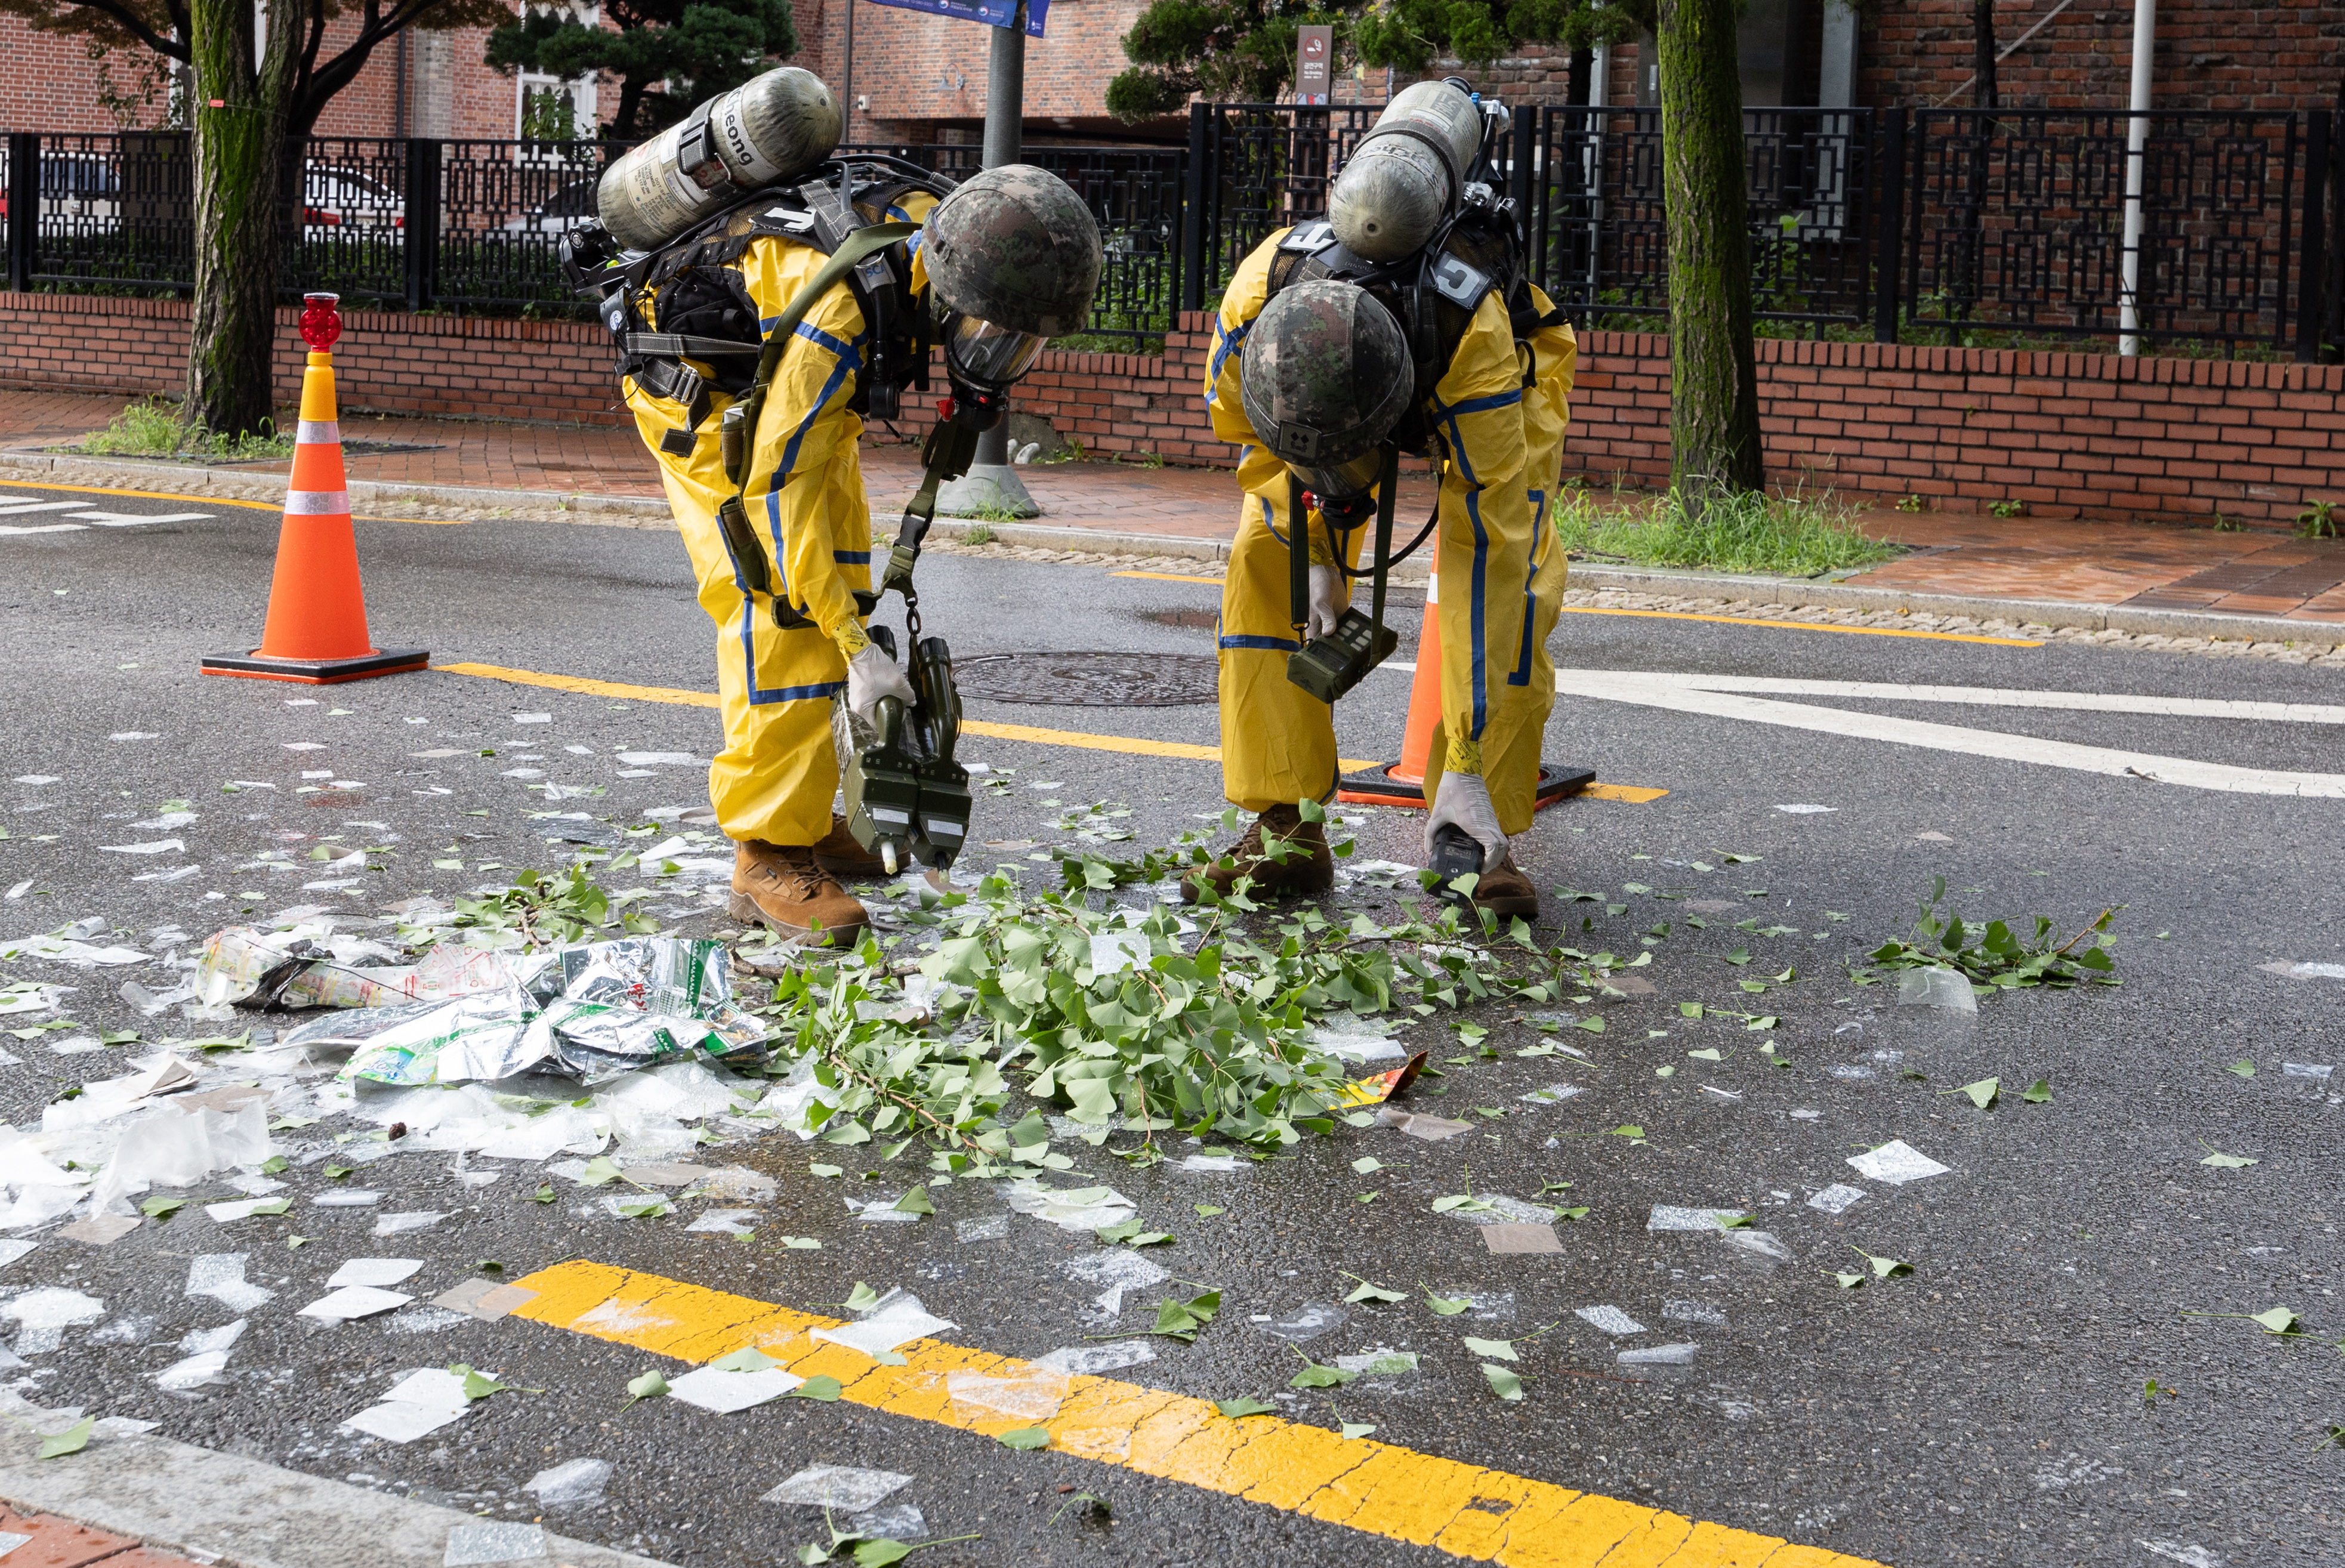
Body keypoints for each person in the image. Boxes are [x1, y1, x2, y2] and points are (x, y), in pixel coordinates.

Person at [594, 158, 1100, 944]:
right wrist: (852, 647)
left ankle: (802, 815)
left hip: (784, 400)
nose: (996, 355)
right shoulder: (832, 320)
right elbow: (771, 490)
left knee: (845, 576)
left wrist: (853, 620)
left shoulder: (952, 229)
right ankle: (765, 851)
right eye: (991, 334)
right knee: (783, 610)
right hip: (704, 399)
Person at [1183, 81, 1574, 920]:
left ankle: (1479, 830)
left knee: (1520, 587)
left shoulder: (1474, 338)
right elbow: (1254, 439)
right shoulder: (1262, 291)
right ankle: (1284, 828)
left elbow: (1488, 546)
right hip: (1323, 408)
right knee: (1265, 560)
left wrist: (1464, 755)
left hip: (1490, 390)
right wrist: (1316, 546)